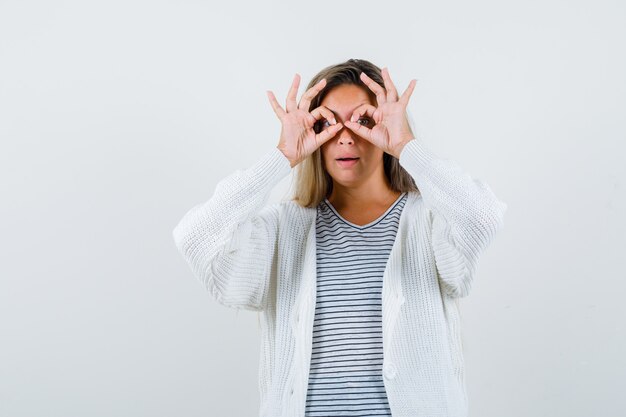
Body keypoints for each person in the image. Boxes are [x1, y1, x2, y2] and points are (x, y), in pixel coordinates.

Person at [172, 58, 508, 417]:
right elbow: (195, 236)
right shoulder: (285, 230)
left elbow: (483, 216)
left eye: (363, 121)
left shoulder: (427, 222)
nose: (346, 136)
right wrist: (282, 157)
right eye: (328, 123)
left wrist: (407, 145)